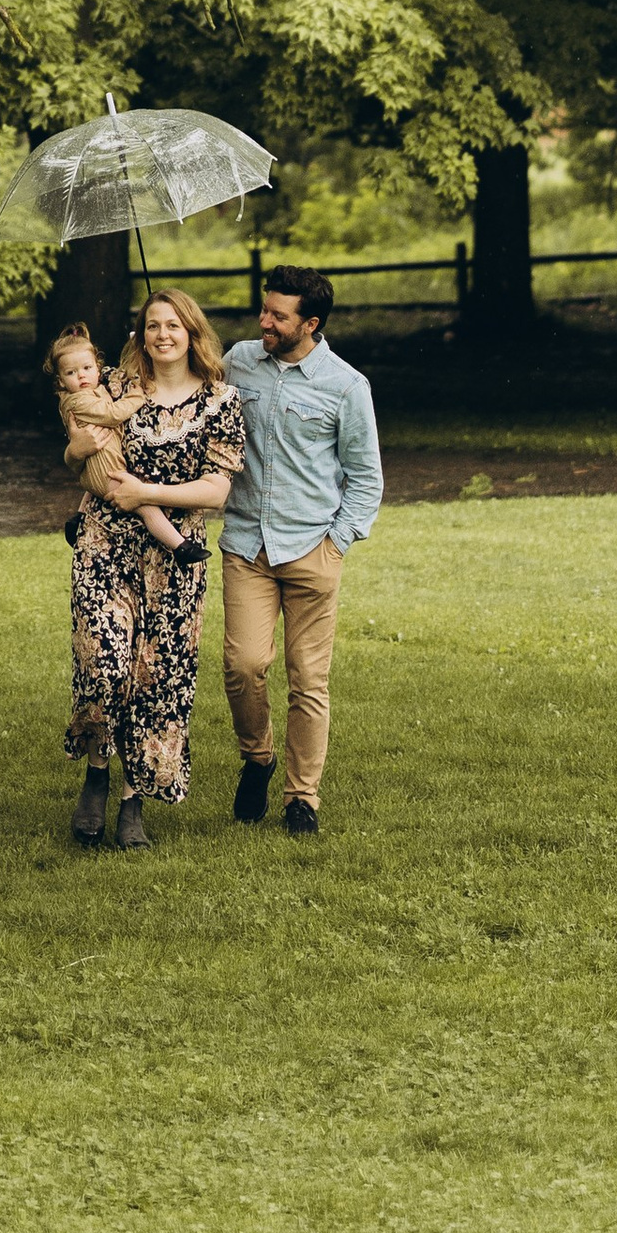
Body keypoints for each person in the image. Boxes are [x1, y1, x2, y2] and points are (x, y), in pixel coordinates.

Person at [62, 288, 246, 851]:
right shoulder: (114, 385)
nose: (161, 334)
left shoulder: (220, 400)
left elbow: (217, 489)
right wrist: (75, 450)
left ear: (193, 332)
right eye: (152, 325)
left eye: (173, 325)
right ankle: (97, 772)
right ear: (141, 333)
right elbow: (78, 455)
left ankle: (131, 800)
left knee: (154, 677)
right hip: (105, 544)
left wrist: (147, 491)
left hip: (174, 555)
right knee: (106, 661)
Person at [222, 264, 383, 841]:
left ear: (309, 323)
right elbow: (186, 404)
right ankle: (258, 757)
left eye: (277, 316)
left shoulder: (346, 386)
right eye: (264, 310)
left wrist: (337, 544)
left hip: (312, 549)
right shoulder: (237, 363)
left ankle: (302, 799)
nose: (264, 321)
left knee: (309, 679)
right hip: (246, 544)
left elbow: (366, 479)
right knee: (243, 667)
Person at [42, 323, 188, 550]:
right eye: (71, 372)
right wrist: (137, 396)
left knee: (98, 483)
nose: (81, 375)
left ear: (97, 368)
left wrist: (135, 344)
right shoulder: (78, 400)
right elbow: (112, 414)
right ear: (60, 380)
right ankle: (180, 546)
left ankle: (78, 519)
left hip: (101, 463)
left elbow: (125, 370)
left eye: (87, 368)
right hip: (105, 466)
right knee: (145, 506)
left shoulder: (95, 387)